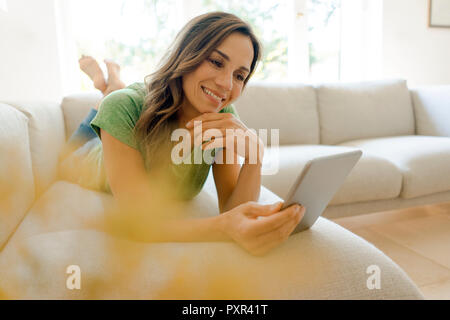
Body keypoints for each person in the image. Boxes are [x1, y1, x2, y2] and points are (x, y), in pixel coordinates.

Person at [60, 12, 305, 257]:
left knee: (116, 99)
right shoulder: (122, 107)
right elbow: (138, 223)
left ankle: (111, 81)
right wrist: (222, 228)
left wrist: (255, 160)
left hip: (123, 114)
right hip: (87, 153)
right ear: (187, 54)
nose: (226, 84)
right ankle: (109, 84)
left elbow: (235, 209)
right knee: (104, 111)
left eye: (239, 75)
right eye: (217, 62)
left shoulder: (222, 116)